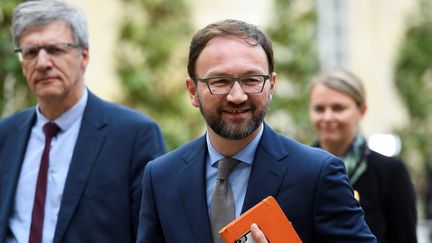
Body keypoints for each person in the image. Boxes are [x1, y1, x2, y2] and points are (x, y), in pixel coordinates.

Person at [136, 19, 376, 243]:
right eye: (220, 81)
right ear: (192, 91)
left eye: (251, 80)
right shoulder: (161, 177)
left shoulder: (317, 174)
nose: (237, 96)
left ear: (271, 85)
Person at [0, 1, 166, 243]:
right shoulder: (5, 135)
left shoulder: (133, 136)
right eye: (31, 52)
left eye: (56, 49)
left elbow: (152, 234)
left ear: (84, 56)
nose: (43, 63)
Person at [308, 68, 417, 243]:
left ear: (362, 110)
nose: (327, 117)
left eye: (338, 108)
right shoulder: (300, 167)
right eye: (319, 109)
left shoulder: (390, 171)